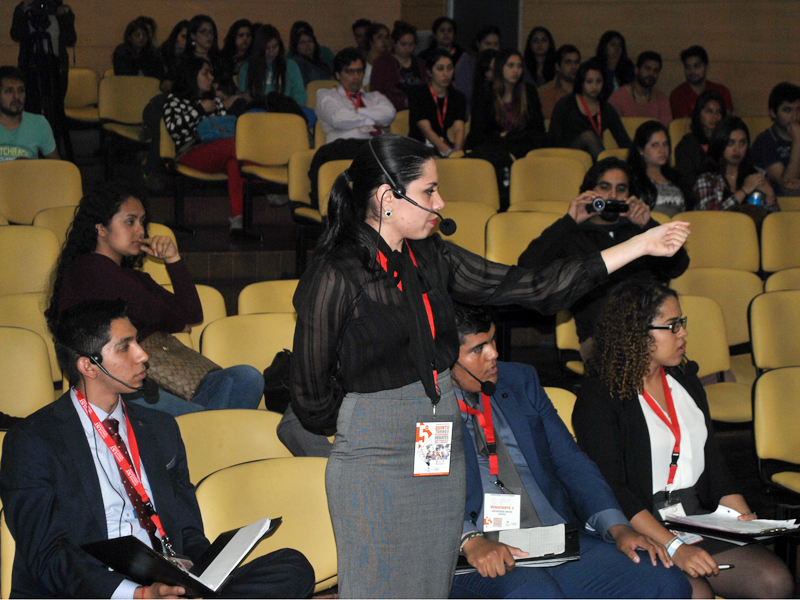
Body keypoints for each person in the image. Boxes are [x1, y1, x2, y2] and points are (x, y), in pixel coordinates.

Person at [290, 133, 690, 597]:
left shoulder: (430, 255)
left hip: (438, 451)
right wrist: (369, 426)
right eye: (428, 192)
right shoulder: (336, 272)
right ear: (386, 198)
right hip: (376, 456)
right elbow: (310, 394)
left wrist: (639, 246)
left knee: (429, 590)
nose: (440, 203)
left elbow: (534, 286)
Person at [0, 297, 316, 599]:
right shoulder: (32, 440)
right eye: (125, 347)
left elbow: (189, 531)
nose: (142, 355)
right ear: (89, 365)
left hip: (166, 580)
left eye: (137, 342)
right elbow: (48, 555)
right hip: (97, 588)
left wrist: (194, 575)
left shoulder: (160, 428)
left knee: (292, 566)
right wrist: (137, 594)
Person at [449, 303, 691, 599]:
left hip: (550, 536)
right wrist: (469, 540)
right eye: (478, 349)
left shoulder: (520, 381)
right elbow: (422, 491)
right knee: (536, 594)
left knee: (664, 581)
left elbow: (571, 462)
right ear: (446, 356)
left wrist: (617, 527)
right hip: (480, 550)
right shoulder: (422, 405)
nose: (494, 354)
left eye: (493, 340)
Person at [573, 279, 795, 599]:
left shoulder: (686, 383)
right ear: (637, 333)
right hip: (636, 526)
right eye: (672, 326)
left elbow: (713, 464)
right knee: (696, 593)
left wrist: (742, 517)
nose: (683, 333)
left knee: (774, 581)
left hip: (691, 519)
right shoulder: (599, 397)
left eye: (682, 323)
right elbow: (612, 489)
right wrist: (674, 546)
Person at [45, 183, 266, 417]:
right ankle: (207, 431)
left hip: (165, 379)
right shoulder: (88, 268)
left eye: (142, 222)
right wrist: (175, 322)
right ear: (101, 228)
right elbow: (157, 313)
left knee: (246, 377)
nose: (140, 231)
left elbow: (191, 315)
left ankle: (207, 433)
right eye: (130, 222)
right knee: (200, 418)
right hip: (117, 384)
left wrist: (173, 258)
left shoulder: (134, 277)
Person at [519, 157, 689, 360]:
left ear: (629, 195)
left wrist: (648, 225)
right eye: (605, 187)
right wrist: (569, 221)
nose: (612, 196)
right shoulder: (572, 234)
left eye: (621, 189)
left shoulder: (641, 233)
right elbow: (527, 267)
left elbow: (677, 267)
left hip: (649, 331)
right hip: (600, 338)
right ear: (590, 192)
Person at [164, 55, 247, 229]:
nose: (211, 78)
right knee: (235, 146)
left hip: (219, 152)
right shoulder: (174, 100)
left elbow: (227, 127)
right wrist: (199, 109)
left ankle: (237, 219)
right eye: (205, 73)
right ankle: (265, 181)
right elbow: (175, 129)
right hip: (191, 152)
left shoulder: (215, 101)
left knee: (234, 163)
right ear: (191, 76)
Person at [309, 47, 395, 208]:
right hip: (343, 148)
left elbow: (389, 114)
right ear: (338, 75)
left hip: (375, 148)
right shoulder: (326, 95)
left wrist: (355, 112)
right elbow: (337, 118)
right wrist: (371, 118)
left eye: (359, 71)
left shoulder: (374, 97)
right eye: (350, 72)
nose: (356, 77)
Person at [466, 49, 547, 210]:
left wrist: (510, 135)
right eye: (510, 65)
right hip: (494, 145)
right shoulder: (485, 93)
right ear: (500, 68)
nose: (515, 70)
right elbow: (478, 132)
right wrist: (501, 137)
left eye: (518, 66)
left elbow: (538, 129)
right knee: (493, 153)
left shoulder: (529, 92)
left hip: (521, 144)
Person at [10, 0, 75, 157]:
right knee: (31, 111)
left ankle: (54, 152)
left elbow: (70, 40)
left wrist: (64, 14)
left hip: (56, 70)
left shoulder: (61, 11)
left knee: (56, 111)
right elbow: (15, 35)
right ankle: (32, 152)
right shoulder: (24, 10)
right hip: (31, 68)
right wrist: (22, 10)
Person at [693, 116, 778, 219]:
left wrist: (770, 196)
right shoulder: (707, 179)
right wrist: (744, 191)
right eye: (731, 143)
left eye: (742, 143)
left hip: (750, 234)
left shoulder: (755, 177)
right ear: (720, 143)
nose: (737, 149)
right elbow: (710, 217)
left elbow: (772, 224)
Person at [549, 59, 631, 160]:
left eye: (598, 81)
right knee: (588, 137)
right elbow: (552, 140)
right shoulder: (565, 104)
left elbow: (624, 141)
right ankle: (607, 168)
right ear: (581, 82)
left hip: (592, 159)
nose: (594, 86)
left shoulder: (606, 108)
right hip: (566, 158)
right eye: (589, 81)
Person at [407, 49, 467, 157]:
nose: (446, 73)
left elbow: (459, 129)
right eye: (440, 69)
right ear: (429, 72)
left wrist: (456, 151)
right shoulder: (417, 94)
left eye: (449, 68)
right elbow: (427, 130)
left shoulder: (458, 97)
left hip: (449, 147)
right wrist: (447, 152)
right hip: (421, 149)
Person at [674, 89, 727, 203]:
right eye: (709, 111)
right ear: (698, 113)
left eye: (718, 112)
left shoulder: (728, 142)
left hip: (726, 198)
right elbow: (686, 182)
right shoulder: (687, 145)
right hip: (697, 201)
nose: (715, 117)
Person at [239, 24, 306, 108]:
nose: (271, 52)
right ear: (259, 48)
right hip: (257, 113)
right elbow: (245, 98)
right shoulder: (246, 68)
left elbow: (300, 96)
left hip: (285, 113)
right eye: (267, 48)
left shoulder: (290, 65)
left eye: (275, 47)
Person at [0, 65, 58, 161]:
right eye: (9, 91)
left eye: (21, 90)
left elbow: (56, 167)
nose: (17, 97)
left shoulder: (39, 123)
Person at [751, 82, 800, 195]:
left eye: (798, 109)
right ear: (773, 113)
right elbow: (787, 186)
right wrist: (798, 141)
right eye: (787, 110)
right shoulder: (764, 141)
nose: (795, 117)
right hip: (780, 206)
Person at [628, 120, 686, 216]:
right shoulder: (632, 180)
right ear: (641, 150)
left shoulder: (677, 178)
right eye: (655, 145)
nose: (662, 150)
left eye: (665, 144)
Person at [370, 20, 428, 111]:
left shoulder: (420, 63)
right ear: (394, 42)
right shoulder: (382, 62)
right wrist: (402, 101)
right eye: (403, 44)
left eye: (411, 45)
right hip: (392, 110)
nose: (407, 48)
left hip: (419, 109)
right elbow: (376, 92)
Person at [609, 51, 672, 126]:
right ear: (636, 70)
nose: (651, 74)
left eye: (656, 70)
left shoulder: (662, 99)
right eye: (647, 68)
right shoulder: (619, 97)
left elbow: (665, 130)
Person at [670, 46, 734, 119]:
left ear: (706, 67)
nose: (692, 71)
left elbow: (726, 123)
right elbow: (681, 125)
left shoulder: (722, 91)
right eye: (688, 67)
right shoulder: (677, 94)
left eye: (697, 66)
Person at [454, 25, 501, 116]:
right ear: (478, 44)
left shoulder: (500, 62)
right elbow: (464, 96)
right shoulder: (466, 62)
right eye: (488, 44)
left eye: (496, 44)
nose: (492, 48)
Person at [538, 44, 580, 120]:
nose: (574, 66)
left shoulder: (585, 89)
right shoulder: (545, 92)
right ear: (557, 66)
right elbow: (551, 123)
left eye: (576, 62)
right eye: (568, 62)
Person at [593, 30, 634, 102]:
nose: (617, 48)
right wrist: (610, 71)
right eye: (612, 44)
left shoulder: (628, 67)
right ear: (604, 47)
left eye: (620, 45)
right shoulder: (594, 66)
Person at [158, 19, 189, 93]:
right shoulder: (164, 52)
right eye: (184, 37)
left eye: (189, 38)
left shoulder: (194, 55)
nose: (187, 41)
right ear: (176, 36)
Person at [362, 22, 390, 87]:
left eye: (386, 37)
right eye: (380, 37)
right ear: (371, 41)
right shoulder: (362, 61)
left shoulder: (390, 60)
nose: (384, 41)